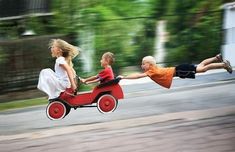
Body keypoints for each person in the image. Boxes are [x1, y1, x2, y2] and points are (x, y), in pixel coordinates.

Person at [118, 54, 233, 89]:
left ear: (149, 64)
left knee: (203, 69)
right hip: (179, 69)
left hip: (180, 70)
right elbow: (139, 74)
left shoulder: (151, 71)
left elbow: (138, 76)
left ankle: (223, 64)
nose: (142, 65)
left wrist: (124, 77)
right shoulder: (153, 69)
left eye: (143, 64)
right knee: (200, 66)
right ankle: (216, 58)